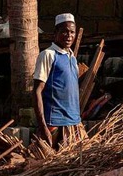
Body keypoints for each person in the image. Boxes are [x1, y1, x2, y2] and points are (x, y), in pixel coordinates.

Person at [32, 13, 87, 148]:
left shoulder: (72, 57)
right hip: (55, 123)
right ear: (56, 33)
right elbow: (37, 91)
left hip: (74, 123)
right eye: (64, 32)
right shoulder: (48, 55)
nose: (69, 36)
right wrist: (43, 126)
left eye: (72, 32)